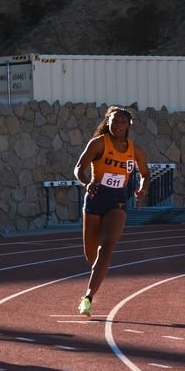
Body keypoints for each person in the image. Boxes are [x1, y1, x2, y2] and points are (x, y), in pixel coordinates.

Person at [73, 106, 150, 317]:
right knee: (90, 254)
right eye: (114, 121)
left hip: (118, 202)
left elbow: (146, 173)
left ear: (128, 126)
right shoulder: (98, 144)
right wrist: (86, 182)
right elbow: (79, 167)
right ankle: (93, 277)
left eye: (123, 123)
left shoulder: (135, 150)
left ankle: (87, 297)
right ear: (107, 122)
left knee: (106, 248)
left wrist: (143, 188)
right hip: (96, 199)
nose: (118, 126)